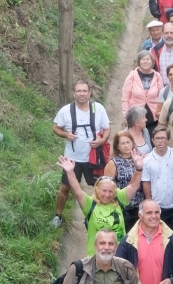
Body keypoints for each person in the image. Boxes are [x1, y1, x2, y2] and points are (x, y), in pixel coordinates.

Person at [52, 81, 111, 229]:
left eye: (85, 91)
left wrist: (101, 140)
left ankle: (98, 215)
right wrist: (66, 134)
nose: (82, 94)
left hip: (94, 157)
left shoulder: (98, 109)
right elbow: (55, 128)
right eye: (79, 91)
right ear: (74, 93)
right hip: (72, 158)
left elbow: (107, 128)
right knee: (65, 188)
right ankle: (57, 216)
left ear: (90, 93)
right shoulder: (65, 111)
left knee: (98, 187)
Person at [60, 154, 142, 254]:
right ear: (97, 190)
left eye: (110, 191)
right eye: (104, 191)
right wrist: (70, 172)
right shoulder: (90, 204)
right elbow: (77, 190)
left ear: (115, 191)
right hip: (96, 258)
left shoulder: (119, 199)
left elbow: (133, 186)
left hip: (119, 257)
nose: (107, 195)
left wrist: (138, 168)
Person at [142, 128, 173, 229]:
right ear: (152, 140)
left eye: (163, 138)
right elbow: (146, 182)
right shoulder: (147, 160)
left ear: (169, 140)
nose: (160, 141)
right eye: (157, 138)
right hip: (158, 207)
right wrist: (149, 202)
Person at [103, 130, 148, 233]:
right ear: (118, 146)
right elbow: (107, 186)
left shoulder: (140, 158)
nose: (126, 146)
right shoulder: (113, 163)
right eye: (123, 143)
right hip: (122, 207)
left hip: (139, 206)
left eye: (128, 142)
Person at [125, 50, 167, 116]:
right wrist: (126, 115)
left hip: (154, 117)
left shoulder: (157, 76)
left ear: (152, 61)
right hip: (135, 117)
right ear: (139, 61)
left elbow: (161, 97)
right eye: (143, 59)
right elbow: (125, 97)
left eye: (148, 59)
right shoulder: (132, 76)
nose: (145, 61)